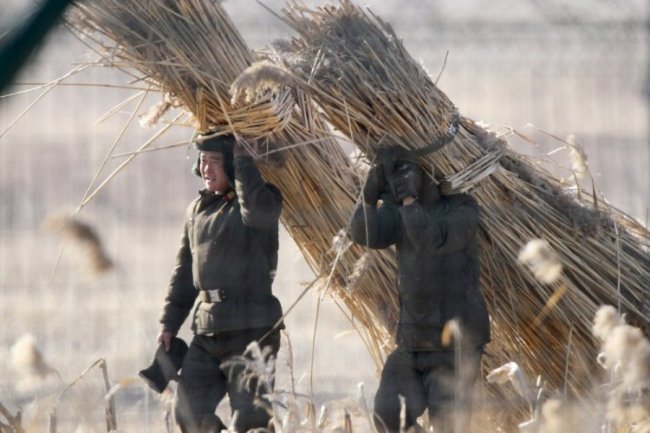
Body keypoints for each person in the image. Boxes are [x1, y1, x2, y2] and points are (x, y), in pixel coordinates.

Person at [349, 157, 490, 433]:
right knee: (387, 417)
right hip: (413, 343)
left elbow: (430, 240)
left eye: (409, 172)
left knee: (447, 426)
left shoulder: (462, 209)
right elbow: (363, 233)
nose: (400, 181)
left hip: (455, 347)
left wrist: (410, 201)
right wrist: (368, 196)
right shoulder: (399, 211)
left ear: (430, 173)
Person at [156, 131, 284, 433]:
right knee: (187, 414)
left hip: (251, 328)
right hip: (208, 330)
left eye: (214, 161)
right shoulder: (196, 211)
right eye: (202, 161)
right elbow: (184, 274)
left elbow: (257, 214)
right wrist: (169, 324)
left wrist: (244, 162)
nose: (206, 169)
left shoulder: (263, 199)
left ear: (231, 164)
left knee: (252, 422)